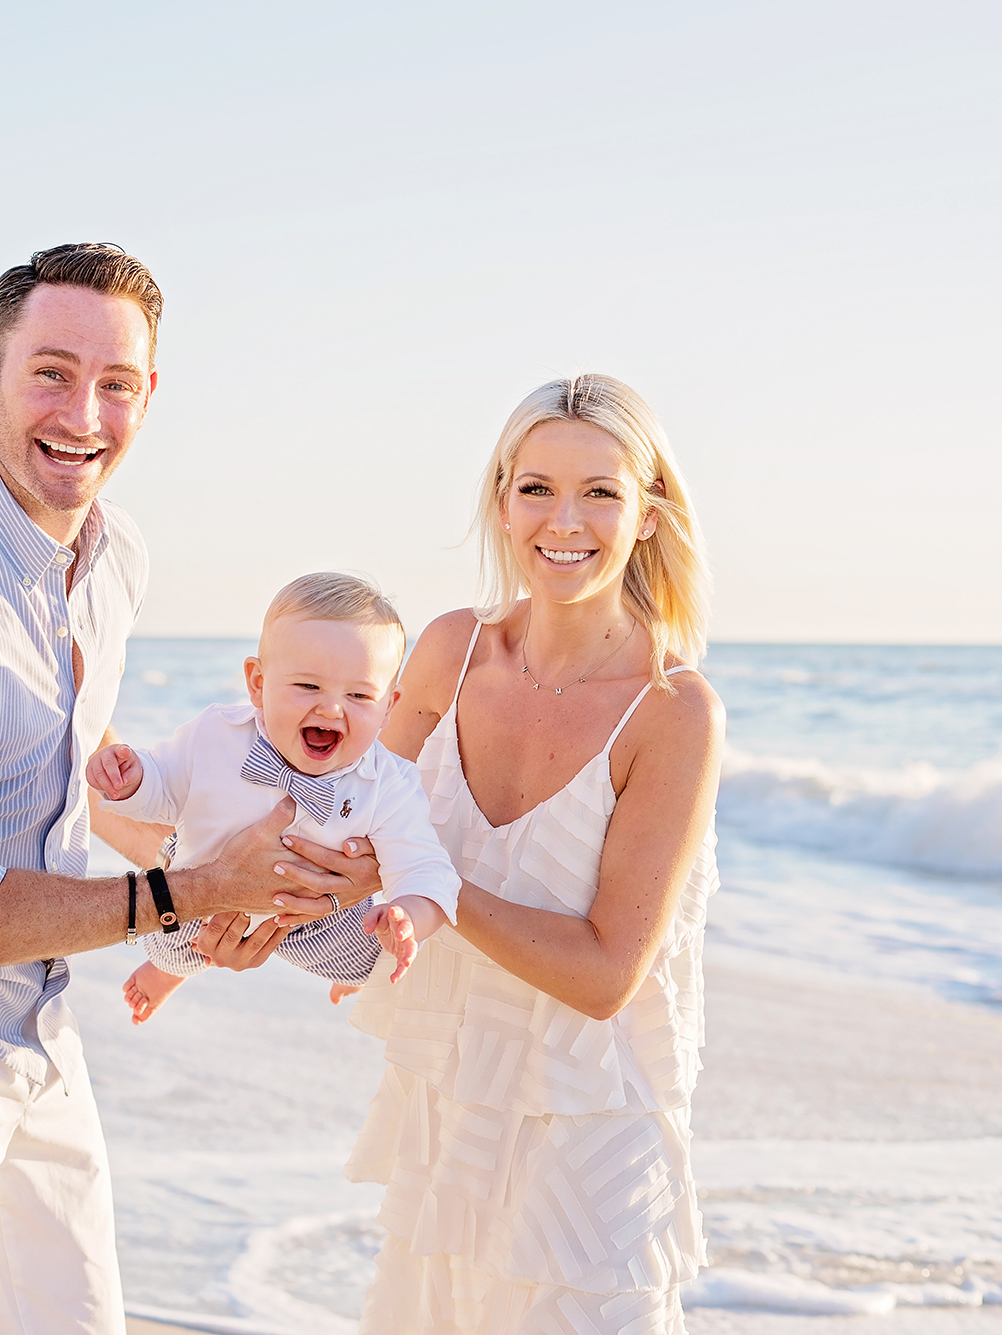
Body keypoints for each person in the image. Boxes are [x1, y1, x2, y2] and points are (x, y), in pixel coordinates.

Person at [0, 243, 381, 1335]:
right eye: (50, 373)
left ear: (149, 395)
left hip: (35, 1016)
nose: (83, 414)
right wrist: (193, 892)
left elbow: (77, 777)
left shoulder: (115, 556)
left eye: (116, 384)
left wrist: (253, 894)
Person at [338, 374, 724, 1332]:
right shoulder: (448, 651)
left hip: (593, 1149)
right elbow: (352, 836)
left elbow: (605, 974)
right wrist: (200, 893)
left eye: (601, 492)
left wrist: (433, 883)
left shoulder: (673, 711)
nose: (566, 520)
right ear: (503, 501)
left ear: (647, 513)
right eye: (539, 487)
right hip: (449, 1113)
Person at [86, 571, 462, 1023]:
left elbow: (424, 868)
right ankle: (167, 972)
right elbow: (163, 787)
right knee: (168, 944)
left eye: (360, 694)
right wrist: (132, 780)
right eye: (308, 686)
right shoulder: (216, 735)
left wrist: (407, 917)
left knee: (370, 963)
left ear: (389, 707)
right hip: (205, 885)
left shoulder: (389, 783)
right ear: (258, 683)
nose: (331, 708)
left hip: (316, 911)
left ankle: (354, 966)